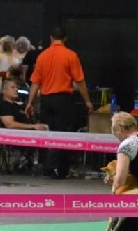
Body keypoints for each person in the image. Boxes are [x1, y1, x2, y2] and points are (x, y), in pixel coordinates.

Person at [25, 25, 94, 179]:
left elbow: (35, 82)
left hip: (46, 99)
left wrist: (30, 102)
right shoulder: (71, 55)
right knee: (64, 134)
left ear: (51, 38)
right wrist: (87, 101)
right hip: (63, 100)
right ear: (65, 39)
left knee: (48, 132)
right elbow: (80, 80)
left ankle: (48, 165)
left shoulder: (42, 56)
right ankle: (57, 169)